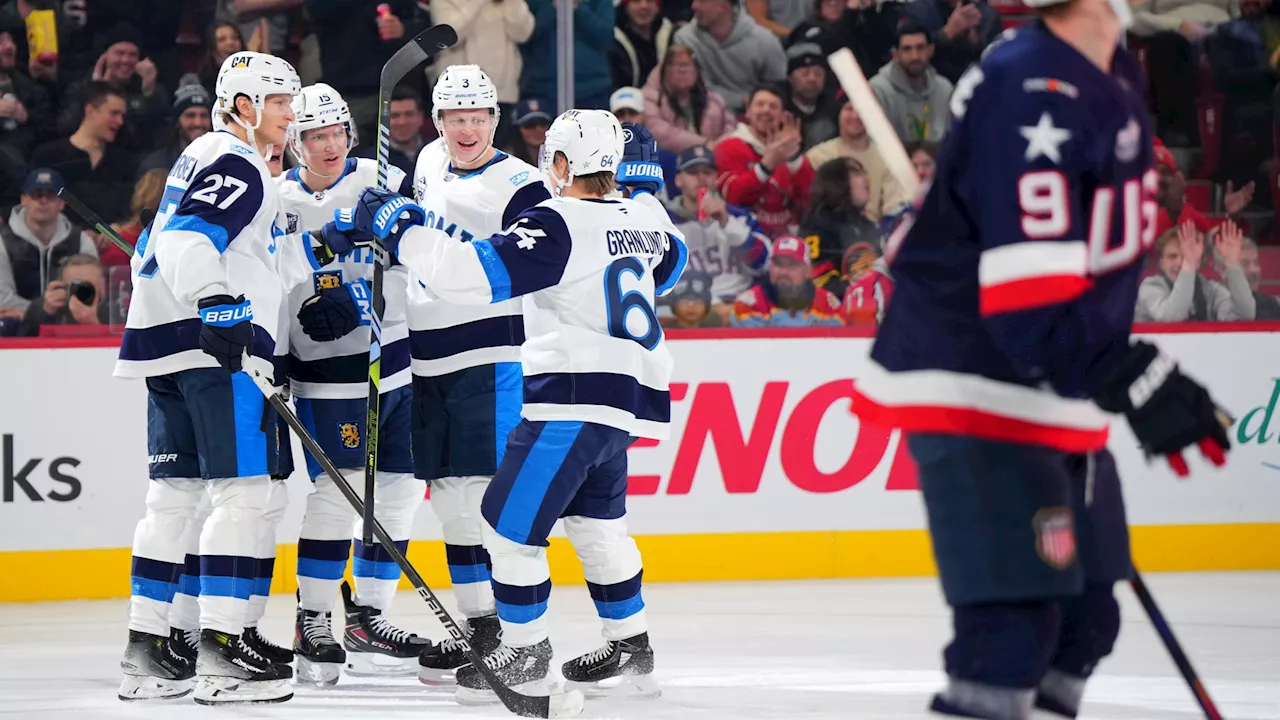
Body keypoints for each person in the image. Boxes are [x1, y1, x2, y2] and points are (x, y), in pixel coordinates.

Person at [846, 4, 1233, 719]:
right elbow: (1028, 306)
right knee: (1010, 634)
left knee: (1086, 623)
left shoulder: (1106, 66)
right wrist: (1130, 374)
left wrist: (1116, 370)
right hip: (977, 378)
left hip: (1053, 378)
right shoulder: (1034, 86)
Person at [333, 111, 684, 704]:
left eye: (553, 156)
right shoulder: (645, 217)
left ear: (566, 164)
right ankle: (630, 641)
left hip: (571, 399)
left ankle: (525, 651)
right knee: (598, 524)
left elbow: (466, 278)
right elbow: (668, 269)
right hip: (629, 401)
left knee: (504, 526)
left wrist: (399, 229)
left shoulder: (557, 221)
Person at [112, 50, 350, 706]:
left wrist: (321, 261)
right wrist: (217, 300)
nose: (290, 115)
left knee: (174, 499)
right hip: (218, 351)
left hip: (168, 348)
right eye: (279, 103)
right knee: (247, 495)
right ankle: (222, 651)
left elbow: (163, 250)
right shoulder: (236, 160)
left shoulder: (198, 160)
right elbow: (191, 241)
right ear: (242, 106)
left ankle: (147, 651)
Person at [401, 64, 553, 686]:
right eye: (455, 118)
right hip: (424, 356)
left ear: (495, 118)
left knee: (489, 500)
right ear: (438, 121)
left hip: (489, 358)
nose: (467, 129)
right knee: (452, 506)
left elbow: (541, 261)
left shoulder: (523, 183)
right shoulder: (429, 162)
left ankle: (520, 637)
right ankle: (479, 626)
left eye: (479, 117)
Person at [275, 83, 428, 684]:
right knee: (337, 497)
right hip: (325, 370)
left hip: (394, 357)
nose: (329, 144)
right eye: (315, 136)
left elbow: (419, 247)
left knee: (398, 490)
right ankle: (312, 618)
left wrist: (400, 237)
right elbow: (268, 268)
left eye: (337, 132)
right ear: (296, 143)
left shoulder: (381, 178)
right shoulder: (279, 197)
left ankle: (368, 617)